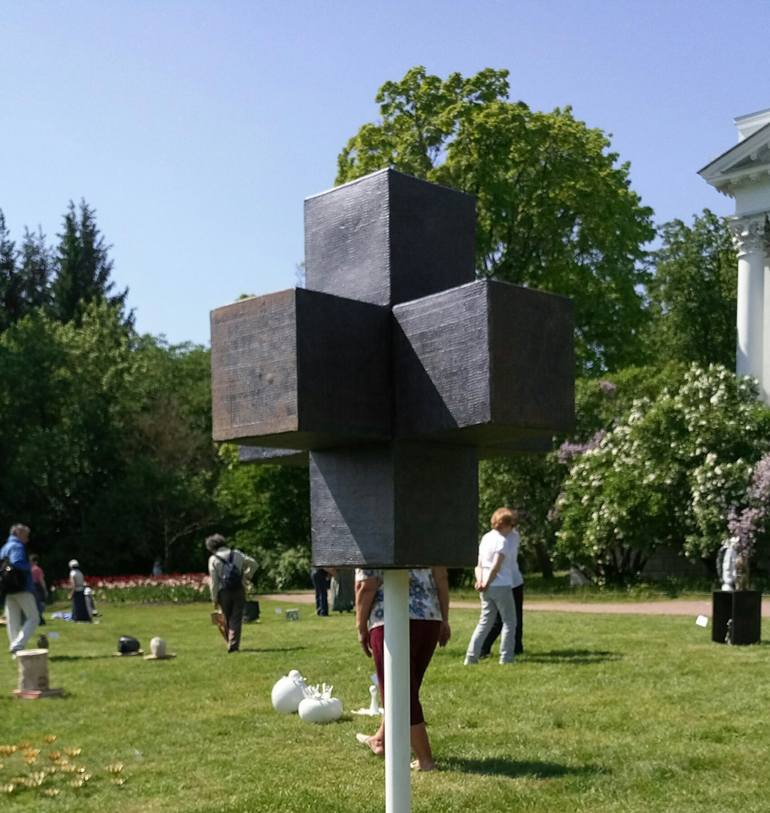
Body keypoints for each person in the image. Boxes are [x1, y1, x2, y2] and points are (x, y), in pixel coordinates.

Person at [354, 567, 451, 772]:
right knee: (406, 688)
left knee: (399, 693)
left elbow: (366, 585)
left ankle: (425, 760)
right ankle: (381, 740)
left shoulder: (371, 536)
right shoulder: (427, 534)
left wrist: (361, 627)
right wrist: (444, 618)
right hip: (429, 619)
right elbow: (441, 576)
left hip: (389, 618)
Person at [464, 507, 518, 665]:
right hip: (501, 584)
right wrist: (487, 581)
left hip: (485, 585)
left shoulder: (486, 538)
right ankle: (506, 657)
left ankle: (471, 656)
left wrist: (480, 581)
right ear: (506, 525)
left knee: (485, 621)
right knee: (509, 621)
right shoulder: (503, 541)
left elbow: (479, 563)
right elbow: (496, 566)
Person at [479, 509, 524, 658]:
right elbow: (494, 564)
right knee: (498, 620)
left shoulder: (514, 536)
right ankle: (485, 648)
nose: (513, 526)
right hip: (501, 582)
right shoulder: (498, 539)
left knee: (515, 618)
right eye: (510, 524)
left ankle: (516, 647)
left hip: (514, 581)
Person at [206, 534, 257, 652]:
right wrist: (246, 576)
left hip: (223, 592)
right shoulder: (237, 554)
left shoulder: (213, 559)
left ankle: (231, 643)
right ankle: (233, 644)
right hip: (239, 589)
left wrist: (214, 598)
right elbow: (254, 564)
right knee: (236, 618)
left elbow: (214, 581)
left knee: (226, 618)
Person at [1, 523, 39, 656]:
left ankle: (15, 652)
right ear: (18, 533)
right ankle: (18, 645)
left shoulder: (5, 547)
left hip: (7, 588)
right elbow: (17, 562)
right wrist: (29, 566)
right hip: (21, 586)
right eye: (26, 535)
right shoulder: (17, 546)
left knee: (13, 621)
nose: (27, 539)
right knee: (34, 617)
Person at [29, 554, 48, 626]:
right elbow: (41, 580)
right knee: (40, 603)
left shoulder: (28, 569)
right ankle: (39, 618)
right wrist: (45, 590)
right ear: (36, 561)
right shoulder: (37, 569)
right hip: (37, 587)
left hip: (29, 587)